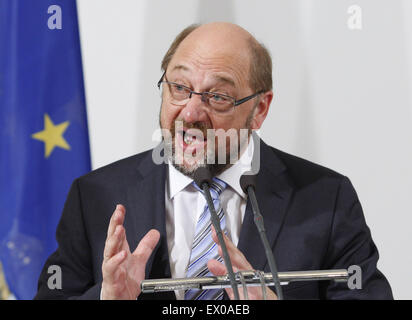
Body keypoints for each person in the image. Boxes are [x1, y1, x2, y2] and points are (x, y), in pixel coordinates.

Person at [34, 22, 393, 300]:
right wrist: (107, 297)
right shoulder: (95, 195)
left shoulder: (326, 198)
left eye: (217, 96)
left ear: (259, 109)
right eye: (179, 87)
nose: (190, 113)